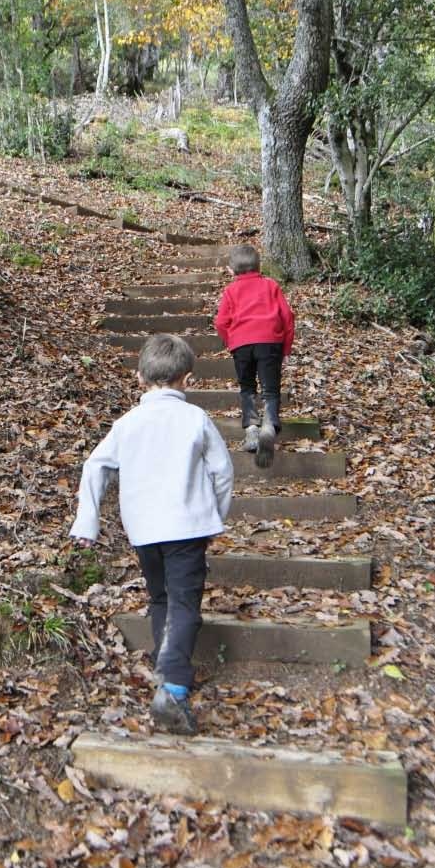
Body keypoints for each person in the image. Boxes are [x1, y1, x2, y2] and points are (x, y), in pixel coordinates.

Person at [69, 333, 234, 735]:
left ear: (140, 378)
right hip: (187, 526)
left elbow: (96, 467)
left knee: (161, 597)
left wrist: (87, 521)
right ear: (187, 379)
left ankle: (165, 670)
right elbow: (223, 472)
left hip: (144, 529)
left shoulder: (127, 424)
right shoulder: (196, 418)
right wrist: (215, 517)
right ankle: (174, 686)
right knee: (184, 602)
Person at [215, 244, 295, 469]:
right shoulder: (271, 285)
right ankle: (269, 424)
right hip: (270, 342)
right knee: (270, 388)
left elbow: (221, 322)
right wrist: (285, 348)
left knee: (247, 386)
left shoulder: (231, 291)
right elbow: (287, 317)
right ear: (259, 266)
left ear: (231, 271)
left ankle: (251, 429)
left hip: (241, 344)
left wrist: (231, 341)